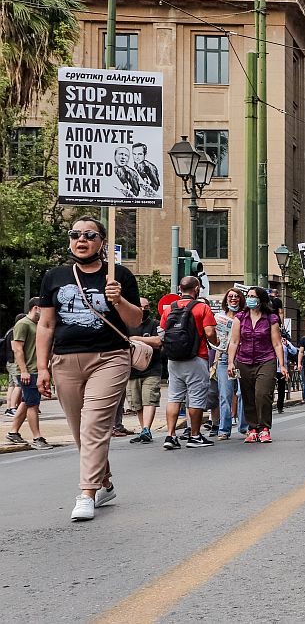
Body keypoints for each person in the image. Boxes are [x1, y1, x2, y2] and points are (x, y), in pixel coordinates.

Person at [36, 216, 143, 521]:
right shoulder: (55, 276)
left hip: (109, 358)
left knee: (94, 424)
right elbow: (45, 324)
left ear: (102, 242)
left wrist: (118, 298)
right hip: (65, 360)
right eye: (75, 234)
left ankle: (87, 493)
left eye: (89, 235)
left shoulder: (119, 274)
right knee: (80, 432)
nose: (81, 240)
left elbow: (135, 320)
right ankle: (104, 482)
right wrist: (42, 367)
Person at [159, 276, 218, 450]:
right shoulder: (202, 307)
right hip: (196, 357)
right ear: (197, 288)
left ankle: (170, 436)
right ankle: (195, 435)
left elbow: (162, 333)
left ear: (179, 288)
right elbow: (209, 333)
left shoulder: (169, 308)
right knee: (196, 398)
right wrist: (217, 342)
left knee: (174, 397)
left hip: (174, 359)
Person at [227, 286, 287, 443]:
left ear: (261, 299)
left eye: (253, 296)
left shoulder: (271, 318)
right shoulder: (240, 318)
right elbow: (234, 342)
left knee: (263, 394)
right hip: (244, 361)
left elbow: (277, 343)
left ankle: (264, 428)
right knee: (247, 395)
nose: (250, 298)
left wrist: (282, 364)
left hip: (266, 360)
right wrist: (230, 362)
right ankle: (252, 428)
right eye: (248, 296)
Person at [6, 299, 52, 450]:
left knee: (27, 402)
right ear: (36, 308)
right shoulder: (23, 324)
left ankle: (13, 432)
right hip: (29, 371)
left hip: (35, 370)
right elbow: (17, 349)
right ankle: (37, 437)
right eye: (43, 309)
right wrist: (24, 371)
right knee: (33, 404)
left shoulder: (36, 324)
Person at [125, 298, 162, 444]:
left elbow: (158, 341)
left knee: (149, 399)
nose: (144, 310)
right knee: (137, 402)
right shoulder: (126, 324)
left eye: (146, 307)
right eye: (141, 307)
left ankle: (147, 428)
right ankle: (143, 430)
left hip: (152, 369)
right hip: (132, 370)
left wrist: (135, 338)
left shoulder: (154, 324)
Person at [213, 288, 244, 439]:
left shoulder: (245, 317)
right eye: (230, 296)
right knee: (225, 394)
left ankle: (244, 427)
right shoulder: (218, 317)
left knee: (242, 393)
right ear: (226, 300)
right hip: (224, 358)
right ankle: (224, 430)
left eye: (236, 296)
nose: (233, 299)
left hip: (243, 358)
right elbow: (212, 338)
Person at [4, 314, 26, 416]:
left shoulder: (9, 331)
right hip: (14, 361)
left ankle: (9, 407)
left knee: (11, 385)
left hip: (9, 361)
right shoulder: (15, 331)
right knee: (18, 385)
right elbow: (15, 348)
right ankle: (12, 407)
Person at [276, 337, 298, 413]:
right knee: (269, 389)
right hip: (271, 368)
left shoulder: (284, 341)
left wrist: (287, 344)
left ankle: (280, 407)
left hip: (282, 369)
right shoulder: (270, 340)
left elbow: (294, 351)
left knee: (281, 389)